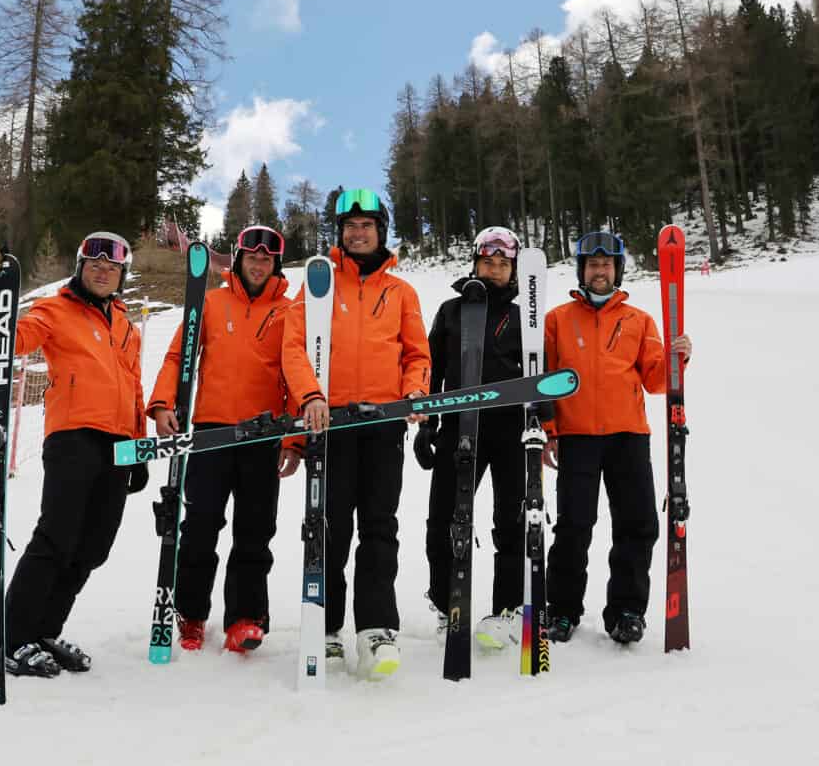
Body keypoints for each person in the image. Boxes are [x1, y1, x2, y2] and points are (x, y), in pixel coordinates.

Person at [0, 232, 147, 677]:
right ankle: (12, 637)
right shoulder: (55, 309)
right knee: (57, 537)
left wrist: (139, 444)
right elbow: (9, 340)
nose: (103, 270)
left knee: (93, 547)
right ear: (80, 266)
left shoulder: (126, 325)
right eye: (94, 262)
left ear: (121, 275)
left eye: (112, 266)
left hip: (118, 444)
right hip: (73, 437)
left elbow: (133, 385)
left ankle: (44, 630)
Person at [282, 188, 432, 679]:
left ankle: (374, 627)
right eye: (350, 226)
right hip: (331, 424)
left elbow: (416, 355)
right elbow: (295, 347)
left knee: (379, 526)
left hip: (383, 425)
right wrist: (310, 396)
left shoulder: (402, 292)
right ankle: (325, 629)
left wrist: (413, 394)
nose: (358, 232)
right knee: (328, 530)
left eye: (367, 225)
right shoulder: (319, 283)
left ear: (381, 231)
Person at [147, 225, 303, 655]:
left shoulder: (289, 312)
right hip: (212, 432)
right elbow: (179, 356)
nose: (258, 262)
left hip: (263, 433)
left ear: (275, 264)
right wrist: (163, 403)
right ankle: (192, 615)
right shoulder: (211, 302)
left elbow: (295, 374)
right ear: (237, 259)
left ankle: (245, 618)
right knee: (199, 527)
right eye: (251, 255)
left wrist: (293, 440)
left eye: (267, 258)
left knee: (255, 531)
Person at [544, 231, 692, 645]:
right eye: (592, 265)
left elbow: (656, 381)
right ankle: (562, 610)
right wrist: (549, 433)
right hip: (576, 436)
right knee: (573, 526)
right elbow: (546, 385)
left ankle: (627, 611)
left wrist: (677, 357)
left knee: (637, 524)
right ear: (581, 269)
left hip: (628, 436)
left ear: (618, 269)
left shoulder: (638, 320)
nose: (600, 271)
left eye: (607, 264)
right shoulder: (558, 319)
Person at [415, 227, 533, 651]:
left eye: (503, 264)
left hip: (510, 430)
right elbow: (431, 368)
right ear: (476, 264)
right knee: (442, 520)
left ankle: (507, 608)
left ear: (513, 270)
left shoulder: (525, 317)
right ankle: (450, 607)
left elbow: (543, 375)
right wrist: (428, 423)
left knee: (511, 520)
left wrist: (545, 426)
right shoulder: (450, 311)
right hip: (460, 427)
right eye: (489, 263)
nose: (496, 270)